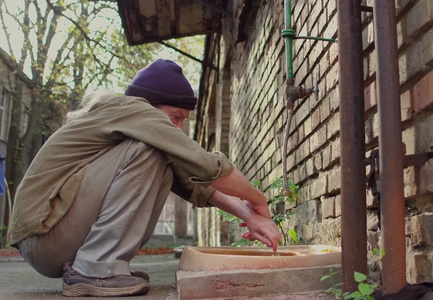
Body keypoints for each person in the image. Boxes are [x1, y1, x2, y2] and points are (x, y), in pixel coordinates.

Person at [8, 59, 281, 297]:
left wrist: (248, 214)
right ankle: (96, 269)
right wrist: (257, 198)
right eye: (176, 117)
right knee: (153, 148)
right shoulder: (133, 109)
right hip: (44, 236)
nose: (180, 128)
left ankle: (103, 265)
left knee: (164, 156)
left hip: (49, 240)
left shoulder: (123, 127)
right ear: (150, 105)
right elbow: (205, 165)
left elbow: (197, 185)